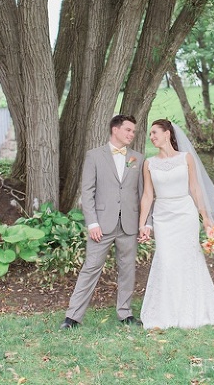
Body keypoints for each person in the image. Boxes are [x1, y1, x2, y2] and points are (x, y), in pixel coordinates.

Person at [138, 119, 214, 329]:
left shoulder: (186, 158)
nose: (152, 137)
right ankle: (166, 312)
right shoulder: (149, 163)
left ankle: (193, 308)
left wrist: (205, 217)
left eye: (155, 132)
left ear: (167, 133)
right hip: (163, 216)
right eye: (150, 134)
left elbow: (195, 188)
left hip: (185, 214)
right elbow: (148, 195)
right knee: (166, 260)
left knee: (188, 259)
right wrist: (142, 224)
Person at [61, 115, 147, 329]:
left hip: (128, 224)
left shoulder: (138, 158)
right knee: (90, 268)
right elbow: (87, 192)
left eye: (133, 131)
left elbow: (143, 194)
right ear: (115, 130)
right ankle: (72, 317)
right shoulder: (94, 156)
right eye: (128, 130)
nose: (131, 134)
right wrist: (92, 223)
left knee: (128, 270)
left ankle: (125, 313)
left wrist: (145, 223)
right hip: (101, 225)